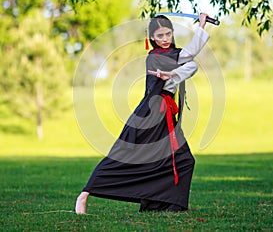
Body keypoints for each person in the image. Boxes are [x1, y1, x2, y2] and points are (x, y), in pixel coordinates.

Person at [75, 13, 210, 214]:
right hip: (151, 114)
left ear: (172, 34)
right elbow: (189, 55)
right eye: (160, 35)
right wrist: (201, 25)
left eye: (168, 34)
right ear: (152, 38)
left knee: (183, 160)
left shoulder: (172, 55)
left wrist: (172, 74)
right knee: (123, 155)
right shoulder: (157, 56)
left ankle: (162, 204)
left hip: (164, 116)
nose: (165, 39)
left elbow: (191, 65)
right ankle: (84, 195)